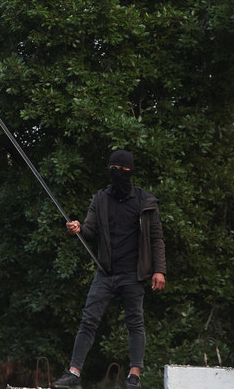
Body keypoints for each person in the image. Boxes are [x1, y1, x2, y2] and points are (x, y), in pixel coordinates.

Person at [52, 150, 166, 389]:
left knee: (135, 322)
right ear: (110, 170)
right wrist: (78, 229)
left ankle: (134, 376)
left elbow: (156, 239)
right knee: (88, 320)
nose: (119, 174)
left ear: (131, 171)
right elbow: (90, 230)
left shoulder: (145, 201)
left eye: (124, 170)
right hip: (106, 272)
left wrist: (159, 270)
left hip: (134, 274)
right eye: (115, 169)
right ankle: (74, 373)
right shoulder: (100, 199)